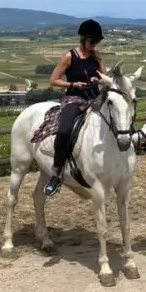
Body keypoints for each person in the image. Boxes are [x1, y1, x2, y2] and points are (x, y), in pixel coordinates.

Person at [44, 19, 107, 196]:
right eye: (92, 42)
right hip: (75, 98)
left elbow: (105, 77)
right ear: (83, 39)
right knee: (64, 131)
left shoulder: (97, 57)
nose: (94, 45)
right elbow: (54, 79)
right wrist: (73, 84)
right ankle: (56, 172)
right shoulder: (69, 56)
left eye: (97, 42)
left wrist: (98, 80)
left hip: (94, 99)